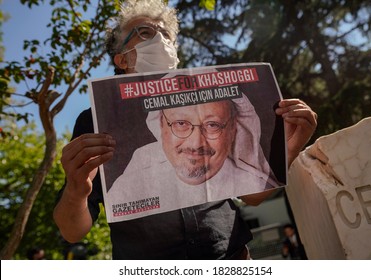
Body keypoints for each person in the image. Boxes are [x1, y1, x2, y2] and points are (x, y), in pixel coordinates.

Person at [54, 0, 317, 259]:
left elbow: (253, 196)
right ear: (121, 58)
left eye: (167, 36)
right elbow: (73, 232)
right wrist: (76, 190)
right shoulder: (96, 121)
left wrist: (290, 146)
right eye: (145, 32)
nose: (161, 41)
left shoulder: (215, 101)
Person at [107, 93, 282, 222]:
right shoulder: (133, 178)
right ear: (161, 125)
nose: (196, 143)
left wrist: (290, 147)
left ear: (232, 130)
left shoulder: (244, 176)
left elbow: (256, 197)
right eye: (181, 124)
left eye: (212, 125)